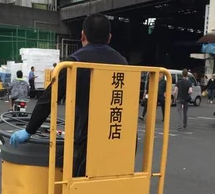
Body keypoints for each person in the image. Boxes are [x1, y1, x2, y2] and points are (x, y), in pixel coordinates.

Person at [9, 13, 128, 176]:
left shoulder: (74, 62)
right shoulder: (123, 62)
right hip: (118, 139)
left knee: (81, 189)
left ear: (82, 36)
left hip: (87, 141)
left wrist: (29, 130)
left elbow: (48, 99)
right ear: (109, 37)